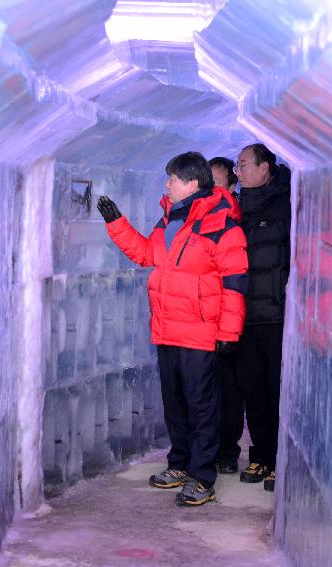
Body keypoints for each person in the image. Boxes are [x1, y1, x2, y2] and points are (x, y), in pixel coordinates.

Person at [96, 151, 248, 506]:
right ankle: (179, 463)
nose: (167, 184)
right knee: (175, 403)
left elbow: (236, 281)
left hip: (199, 331)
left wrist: (228, 331)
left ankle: (202, 476)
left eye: (173, 179)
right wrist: (116, 223)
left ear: (193, 183)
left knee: (202, 406)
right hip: (167, 329)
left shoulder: (222, 223)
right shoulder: (171, 220)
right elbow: (146, 255)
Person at [233, 143, 291, 492]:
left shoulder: (285, 204)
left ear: (265, 167)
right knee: (251, 388)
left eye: (244, 165)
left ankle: (279, 459)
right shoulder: (239, 207)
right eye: (237, 167)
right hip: (244, 314)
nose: (239, 172)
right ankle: (261, 455)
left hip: (275, 315)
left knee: (274, 389)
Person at [208, 156, 244, 474]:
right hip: (202, 318)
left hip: (229, 318)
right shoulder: (195, 218)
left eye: (217, 182)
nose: (212, 189)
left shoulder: (233, 220)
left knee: (229, 387)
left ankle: (226, 451)